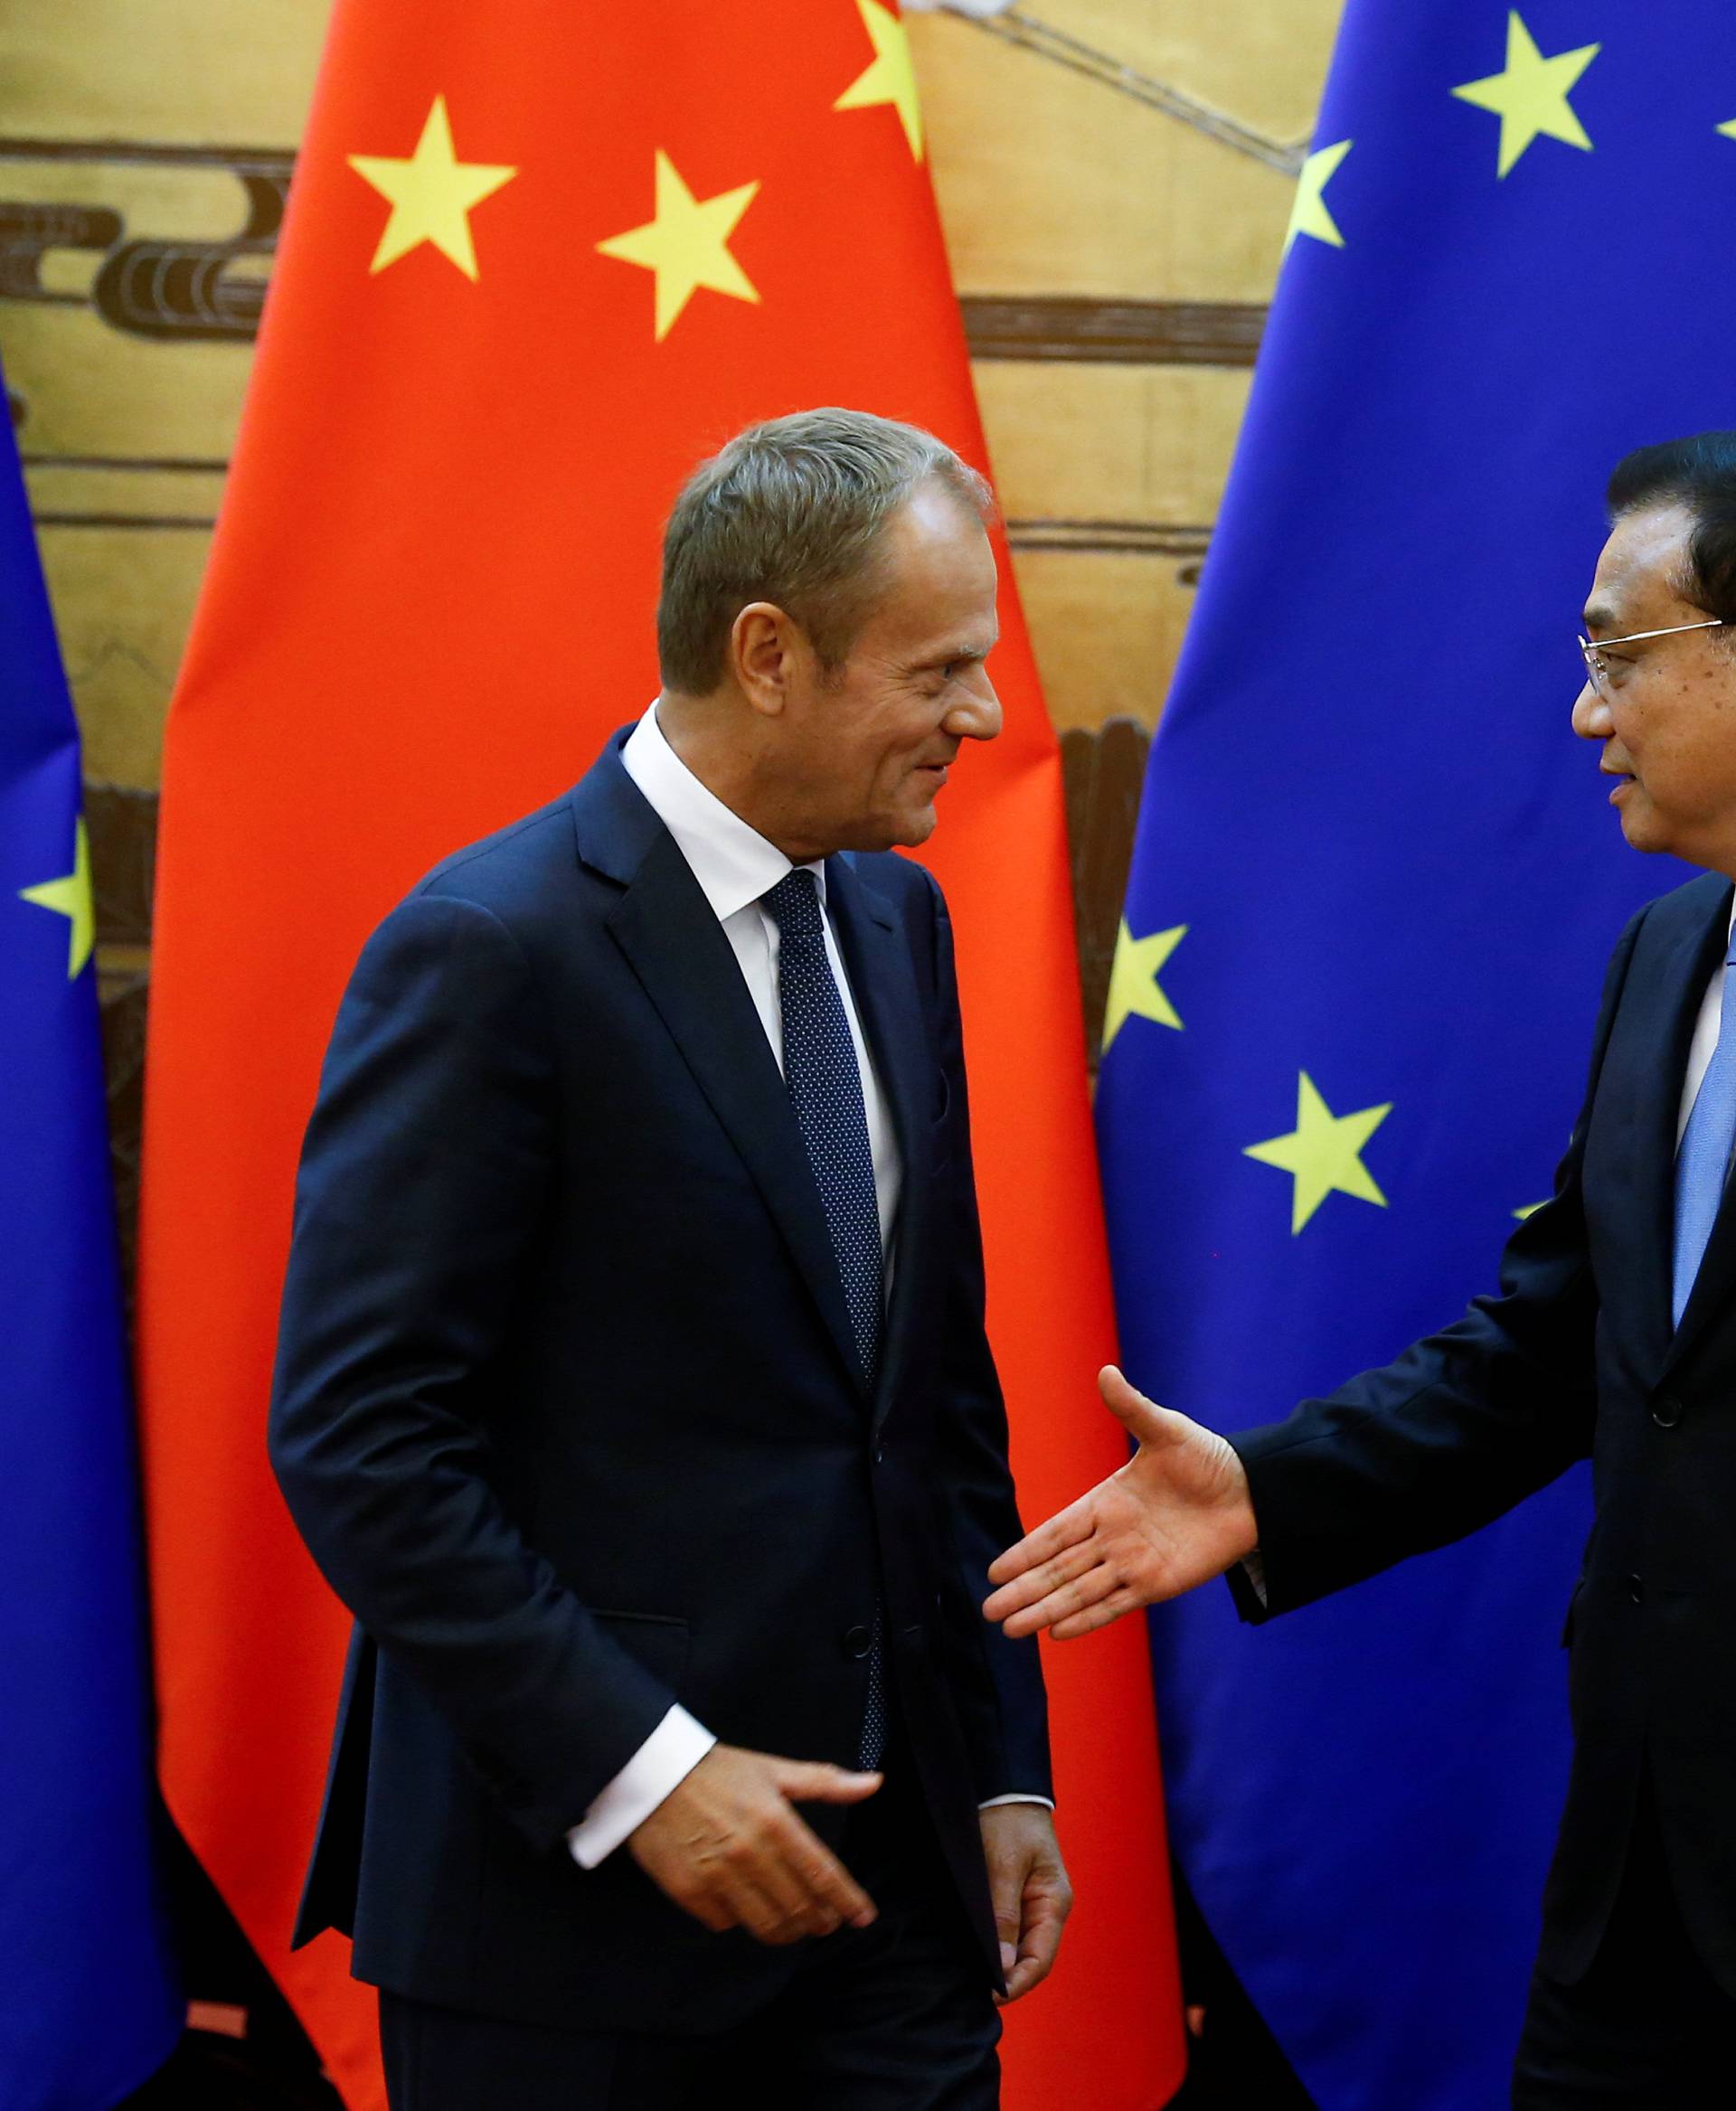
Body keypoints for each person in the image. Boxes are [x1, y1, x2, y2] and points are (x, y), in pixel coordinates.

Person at [269, 408, 1071, 2111]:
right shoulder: (491, 949)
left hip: (898, 1919)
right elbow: (362, 1443)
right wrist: (646, 1770)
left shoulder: (893, 913)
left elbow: (929, 1392)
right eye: (939, 669)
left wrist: (1002, 1765)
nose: (983, 716)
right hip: (573, 1933)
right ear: (768, 655)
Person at [984, 430, 1736, 2108]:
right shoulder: (1669, 957)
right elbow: (1557, 1345)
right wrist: (1266, 1487)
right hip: (1638, 1895)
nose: (1583, 712)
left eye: (1620, 654)